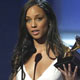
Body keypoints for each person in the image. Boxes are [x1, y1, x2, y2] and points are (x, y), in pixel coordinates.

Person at [9, 0, 79, 80]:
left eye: (39, 18)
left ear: (49, 20)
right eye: (28, 20)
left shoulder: (65, 54)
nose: (33, 25)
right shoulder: (21, 56)